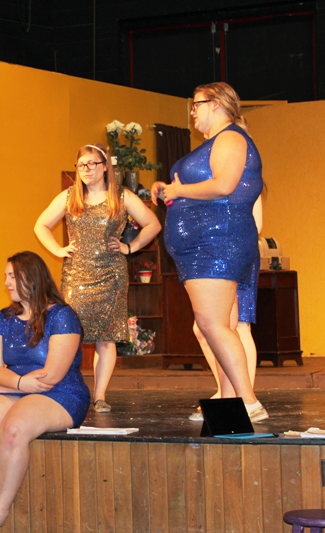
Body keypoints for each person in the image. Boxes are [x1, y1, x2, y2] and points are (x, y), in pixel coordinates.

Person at [151, 82, 266, 421]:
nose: (192, 111)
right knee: (220, 327)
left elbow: (223, 185)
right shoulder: (219, 141)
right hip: (210, 246)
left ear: (215, 103)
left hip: (215, 245)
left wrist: (179, 190)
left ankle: (247, 401)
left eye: (196, 104)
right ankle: (229, 406)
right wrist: (170, 190)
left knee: (212, 325)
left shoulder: (230, 137)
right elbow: (206, 186)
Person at [0, 251, 89, 533]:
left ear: (31, 278)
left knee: (14, 427)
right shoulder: (4, 317)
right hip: (18, 387)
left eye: (12, 276)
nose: (6, 283)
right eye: (6, 276)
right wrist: (17, 383)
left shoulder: (62, 315)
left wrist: (5, 383)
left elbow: (51, 375)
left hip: (60, 392)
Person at [34, 144, 160, 412]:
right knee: (68, 333)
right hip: (76, 274)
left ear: (105, 167)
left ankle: (99, 396)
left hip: (111, 275)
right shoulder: (69, 196)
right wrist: (57, 250)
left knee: (106, 337)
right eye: (82, 165)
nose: (86, 169)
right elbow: (41, 225)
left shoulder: (121, 196)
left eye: (92, 163)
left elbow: (153, 224)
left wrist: (130, 247)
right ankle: (64, 389)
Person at [189, 197, 263, 420]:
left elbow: (257, 225)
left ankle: (244, 397)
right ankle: (228, 390)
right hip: (213, 257)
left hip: (236, 254)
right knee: (203, 329)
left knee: (240, 326)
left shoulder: (244, 180)